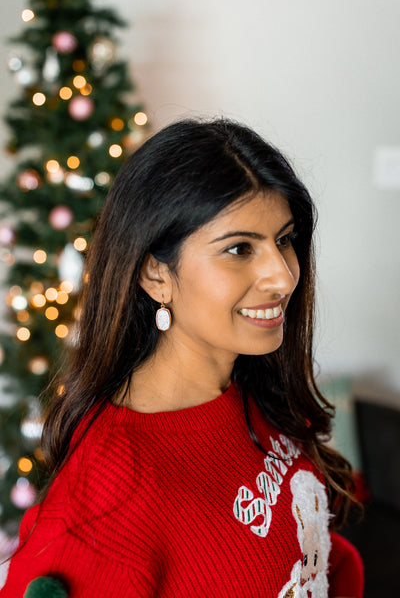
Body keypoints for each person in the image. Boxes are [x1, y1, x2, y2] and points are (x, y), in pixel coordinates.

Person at [0, 119, 364, 597]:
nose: (282, 275)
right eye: (239, 248)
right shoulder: (107, 496)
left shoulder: (250, 384)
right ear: (155, 274)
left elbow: (308, 556)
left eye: (284, 239)